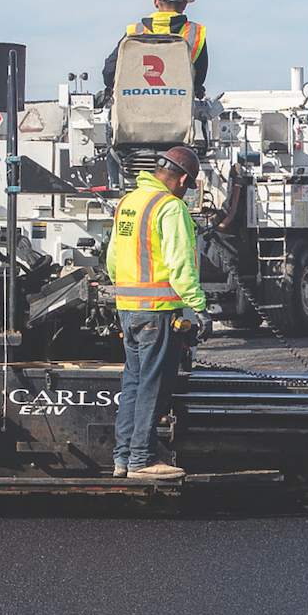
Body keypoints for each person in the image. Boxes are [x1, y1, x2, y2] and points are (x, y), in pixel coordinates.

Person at [107, 145, 212, 480]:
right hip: (159, 312)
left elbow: (111, 259)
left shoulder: (128, 203)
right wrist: (198, 306)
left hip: (128, 309)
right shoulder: (170, 208)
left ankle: (123, 458)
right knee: (153, 386)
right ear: (182, 177)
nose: (187, 190)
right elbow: (181, 266)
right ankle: (142, 460)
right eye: (188, 184)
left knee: (134, 383)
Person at [101, 0, 209, 101]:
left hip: (135, 111)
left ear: (156, 2)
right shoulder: (195, 34)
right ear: (185, 4)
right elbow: (198, 80)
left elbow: (109, 71)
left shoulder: (134, 32)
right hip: (178, 114)